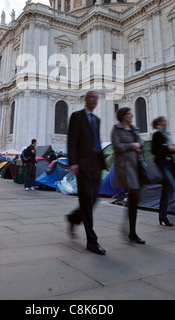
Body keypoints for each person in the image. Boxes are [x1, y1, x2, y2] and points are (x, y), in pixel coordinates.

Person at [66, 90, 107, 255]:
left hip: (96, 164)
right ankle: (92, 241)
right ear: (85, 99)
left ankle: (74, 218)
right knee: (86, 201)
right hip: (82, 165)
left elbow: (96, 141)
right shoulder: (77, 116)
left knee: (94, 198)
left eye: (97, 98)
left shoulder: (97, 119)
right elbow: (72, 140)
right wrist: (73, 162)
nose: (95, 100)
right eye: (92, 97)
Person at [111, 107, 145, 244]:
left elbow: (141, 146)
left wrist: (138, 145)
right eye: (129, 113)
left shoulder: (134, 129)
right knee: (134, 196)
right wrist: (132, 145)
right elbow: (116, 146)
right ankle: (132, 232)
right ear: (123, 116)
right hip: (125, 167)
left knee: (134, 198)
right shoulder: (116, 129)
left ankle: (130, 230)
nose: (132, 115)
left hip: (136, 165)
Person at [151, 116, 175, 226]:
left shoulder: (167, 134)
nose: (166, 122)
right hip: (162, 166)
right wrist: (168, 148)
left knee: (167, 190)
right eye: (164, 121)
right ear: (159, 123)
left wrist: (171, 149)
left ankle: (163, 216)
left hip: (169, 165)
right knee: (171, 187)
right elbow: (154, 150)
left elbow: (167, 149)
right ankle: (165, 214)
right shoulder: (157, 135)